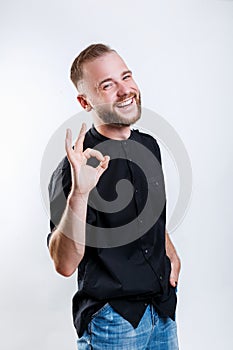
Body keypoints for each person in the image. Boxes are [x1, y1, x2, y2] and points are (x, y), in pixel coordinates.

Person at [47, 43, 181, 349]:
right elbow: (64, 263)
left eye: (126, 77)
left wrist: (168, 247)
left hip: (162, 312)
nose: (125, 91)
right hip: (114, 322)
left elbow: (145, 215)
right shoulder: (75, 168)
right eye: (107, 85)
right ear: (85, 101)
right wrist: (79, 194)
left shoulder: (150, 147)